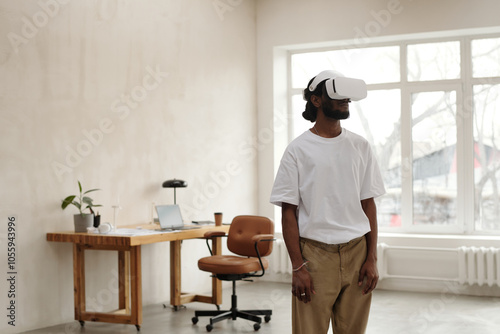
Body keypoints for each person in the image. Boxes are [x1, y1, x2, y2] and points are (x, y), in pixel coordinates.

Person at [270, 70, 386, 334]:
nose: (346, 100)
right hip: (314, 255)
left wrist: (372, 258)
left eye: (347, 96)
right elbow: (288, 213)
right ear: (316, 100)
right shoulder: (297, 150)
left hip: (357, 253)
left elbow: (369, 206)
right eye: (337, 95)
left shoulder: (360, 147)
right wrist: (298, 267)